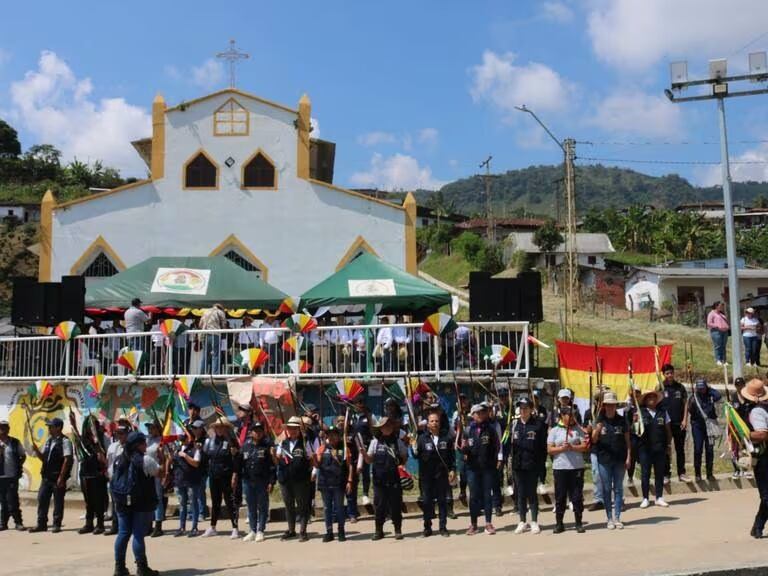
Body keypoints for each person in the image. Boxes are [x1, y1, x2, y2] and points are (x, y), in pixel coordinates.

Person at [111, 431, 160, 576]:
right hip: (140, 502)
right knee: (138, 534)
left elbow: (111, 477)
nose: (146, 445)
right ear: (137, 445)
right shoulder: (146, 460)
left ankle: (119, 568)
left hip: (121, 501)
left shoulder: (118, 459)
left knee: (123, 533)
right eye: (144, 443)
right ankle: (142, 567)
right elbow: (158, 472)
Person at [365, 415, 408, 540]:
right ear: (381, 429)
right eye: (384, 426)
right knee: (379, 506)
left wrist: (401, 465)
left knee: (396, 505)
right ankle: (379, 531)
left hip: (394, 479)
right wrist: (363, 453)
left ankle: (398, 529)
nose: (387, 428)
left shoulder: (398, 441)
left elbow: (404, 457)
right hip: (379, 480)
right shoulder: (374, 442)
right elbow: (369, 460)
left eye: (389, 425)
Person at [591, 391, 630, 530]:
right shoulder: (599, 420)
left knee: (618, 488)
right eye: (608, 405)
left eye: (613, 405)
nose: (610, 408)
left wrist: (629, 456)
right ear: (604, 406)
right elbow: (593, 440)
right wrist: (597, 430)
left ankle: (618, 517)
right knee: (606, 489)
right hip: (604, 460)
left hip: (619, 459)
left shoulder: (622, 420)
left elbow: (627, 441)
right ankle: (609, 518)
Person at [462, 402, 502, 535]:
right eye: (477, 413)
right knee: (473, 496)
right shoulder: (468, 430)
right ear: (472, 415)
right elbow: (463, 449)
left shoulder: (490, 429)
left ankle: (488, 523)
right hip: (472, 468)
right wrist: (465, 447)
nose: (480, 415)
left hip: (487, 467)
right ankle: (473, 524)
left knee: (487, 495)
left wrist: (495, 460)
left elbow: (497, 446)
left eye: (482, 412)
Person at [413, 411, 455, 537]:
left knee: (442, 501)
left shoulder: (446, 438)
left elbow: (451, 457)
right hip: (426, 476)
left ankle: (443, 527)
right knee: (427, 502)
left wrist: (452, 469)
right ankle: (427, 527)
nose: (434, 423)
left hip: (441, 475)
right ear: (428, 424)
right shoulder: (421, 438)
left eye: (436, 421)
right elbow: (416, 455)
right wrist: (412, 446)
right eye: (432, 421)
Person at [547, 406, 587, 534]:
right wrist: (561, 449)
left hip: (576, 468)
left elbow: (585, 446)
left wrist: (572, 447)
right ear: (562, 416)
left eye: (574, 415)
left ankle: (578, 523)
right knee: (560, 497)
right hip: (560, 468)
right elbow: (550, 450)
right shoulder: (554, 431)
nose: (572, 417)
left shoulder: (578, 429)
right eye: (569, 415)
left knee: (577, 496)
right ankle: (559, 523)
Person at [29, 417, 73, 533]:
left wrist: (61, 477)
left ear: (58, 427)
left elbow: (67, 460)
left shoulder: (65, 441)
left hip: (57, 476)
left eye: (51, 426)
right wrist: (37, 451)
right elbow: (44, 458)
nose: (49, 428)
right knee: (42, 499)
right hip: (46, 476)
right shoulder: (49, 441)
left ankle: (56, 524)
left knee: (58, 501)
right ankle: (41, 524)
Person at [511, 397, 547, 535]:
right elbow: (509, 445)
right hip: (518, 465)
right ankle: (522, 521)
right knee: (520, 493)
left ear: (531, 409)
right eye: (521, 408)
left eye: (526, 408)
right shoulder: (514, 425)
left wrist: (541, 466)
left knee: (532, 493)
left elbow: (542, 447)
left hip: (532, 464)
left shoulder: (538, 425)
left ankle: (534, 521)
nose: (523, 410)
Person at [276, 416, 315, 542]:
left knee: (302, 505)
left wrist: (308, 471)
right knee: (289, 505)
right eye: (290, 428)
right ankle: (291, 530)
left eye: (295, 428)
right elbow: (277, 460)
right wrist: (273, 455)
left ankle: (303, 531)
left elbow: (312, 459)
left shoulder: (305, 442)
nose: (292, 431)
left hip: (301, 480)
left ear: (299, 429)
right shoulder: (283, 443)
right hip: (285, 479)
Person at [202, 418, 240, 539]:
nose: (219, 429)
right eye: (217, 427)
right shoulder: (210, 441)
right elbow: (206, 457)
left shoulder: (231, 441)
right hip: (214, 475)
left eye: (221, 427)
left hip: (226, 476)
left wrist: (235, 474)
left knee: (230, 502)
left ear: (226, 428)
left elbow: (236, 459)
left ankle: (235, 528)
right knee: (215, 502)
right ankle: (213, 527)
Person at [239, 421, 275, 542]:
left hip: (262, 481)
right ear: (251, 432)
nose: (258, 433)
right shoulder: (246, 445)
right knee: (251, 506)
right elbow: (241, 463)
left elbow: (272, 466)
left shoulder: (267, 445)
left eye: (260, 431)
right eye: (255, 431)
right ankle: (252, 530)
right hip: (248, 481)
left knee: (263, 506)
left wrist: (271, 482)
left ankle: (261, 530)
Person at [317, 425, 351, 542]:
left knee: (339, 507)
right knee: (327, 508)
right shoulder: (322, 448)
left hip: (338, 483)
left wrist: (349, 481)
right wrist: (314, 457)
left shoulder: (344, 448)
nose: (331, 437)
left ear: (338, 436)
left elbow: (348, 465)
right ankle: (329, 531)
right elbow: (317, 465)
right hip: (325, 483)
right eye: (329, 435)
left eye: (334, 434)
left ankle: (341, 530)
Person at [637, 390, 671, 509]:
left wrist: (668, 445)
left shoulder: (663, 412)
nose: (651, 399)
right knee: (645, 473)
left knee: (659, 473)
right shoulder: (640, 412)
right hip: (645, 448)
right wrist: (635, 421)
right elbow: (635, 430)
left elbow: (668, 430)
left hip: (660, 448)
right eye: (649, 397)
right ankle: (645, 498)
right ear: (645, 400)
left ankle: (659, 497)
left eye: (654, 397)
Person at [743, 378, 768, 538]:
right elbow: (762, 434)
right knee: (767, 496)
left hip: (765, 456)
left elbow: (762, 434)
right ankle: (758, 526)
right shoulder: (757, 411)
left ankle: (758, 526)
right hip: (764, 457)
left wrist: (744, 434)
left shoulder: (758, 410)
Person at [173, 421, 204, 537]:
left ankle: (194, 527)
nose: (182, 437)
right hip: (180, 480)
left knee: (193, 503)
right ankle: (182, 527)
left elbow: (196, 463)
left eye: (184, 435)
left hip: (191, 481)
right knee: (182, 504)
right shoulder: (178, 448)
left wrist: (185, 456)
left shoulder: (195, 448)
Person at [78, 415, 108, 534]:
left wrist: (101, 456)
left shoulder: (102, 439)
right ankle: (89, 523)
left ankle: (100, 524)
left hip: (98, 474)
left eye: (93, 426)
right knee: (88, 501)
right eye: (89, 426)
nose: (91, 428)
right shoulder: (83, 440)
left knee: (98, 500)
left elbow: (107, 454)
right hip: (86, 473)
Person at [659, 364, 690, 483]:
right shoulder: (660, 387)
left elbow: (685, 403)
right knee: (666, 449)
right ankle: (666, 474)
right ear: (664, 374)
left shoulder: (680, 387)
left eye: (671, 372)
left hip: (679, 423)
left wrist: (685, 419)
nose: (670, 375)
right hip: (665, 424)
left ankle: (681, 473)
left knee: (680, 449)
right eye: (667, 373)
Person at [688, 377, 722, 482]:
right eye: (699, 388)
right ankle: (697, 474)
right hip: (697, 426)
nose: (701, 390)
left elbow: (718, 396)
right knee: (698, 449)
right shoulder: (693, 397)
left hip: (710, 426)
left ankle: (709, 473)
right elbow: (690, 410)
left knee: (710, 450)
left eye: (703, 388)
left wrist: (709, 389)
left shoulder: (711, 395)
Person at [106, 421, 131, 536]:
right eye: (118, 433)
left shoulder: (130, 448)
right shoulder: (112, 447)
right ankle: (115, 526)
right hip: (113, 480)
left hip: (125, 481)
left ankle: (126, 526)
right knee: (115, 503)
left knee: (126, 504)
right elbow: (109, 462)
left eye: (122, 433)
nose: (119, 436)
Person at [0, 419, 26, 531]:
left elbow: (23, 455)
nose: (3, 430)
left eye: (5, 428)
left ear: (8, 429)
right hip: (0, 477)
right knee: (3, 501)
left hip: (12, 477)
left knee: (13, 500)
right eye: (1, 428)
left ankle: (18, 522)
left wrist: (18, 466)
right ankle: (3, 523)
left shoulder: (15, 442)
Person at [145, 421, 167, 538]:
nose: (149, 430)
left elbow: (164, 459)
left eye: (152, 427)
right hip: (146, 472)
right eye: (148, 428)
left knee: (157, 498)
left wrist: (164, 474)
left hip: (157, 472)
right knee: (148, 498)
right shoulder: (147, 440)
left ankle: (158, 525)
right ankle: (149, 525)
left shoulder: (161, 441)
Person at [199, 303, 227, 374]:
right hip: (215, 334)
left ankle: (202, 374)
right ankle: (215, 374)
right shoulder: (220, 312)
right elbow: (224, 325)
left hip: (205, 334)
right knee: (216, 355)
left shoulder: (205, 311)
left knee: (205, 355)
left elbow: (200, 324)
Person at [707, 301, 729, 366]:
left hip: (724, 332)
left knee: (723, 346)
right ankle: (718, 360)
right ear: (716, 306)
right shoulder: (711, 313)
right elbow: (709, 323)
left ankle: (724, 360)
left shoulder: (721, 314)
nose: (722, 307)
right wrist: (717, 326)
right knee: (718, 346)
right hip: (716, 331)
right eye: (720, 306)